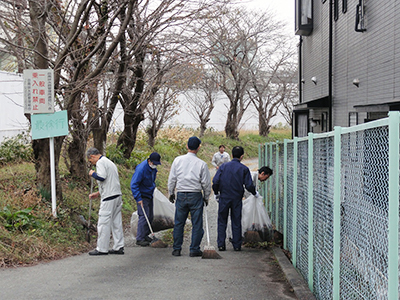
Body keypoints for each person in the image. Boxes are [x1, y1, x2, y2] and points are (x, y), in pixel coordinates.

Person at [212, 146, 271, 252]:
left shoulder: (223, 167)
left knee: (222, 220)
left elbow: (216, 181)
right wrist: (255, 193)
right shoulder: (244, 169)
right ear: (242, 156)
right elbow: (248, 185)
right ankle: (237, 245)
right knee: (236, 220)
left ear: (231, 154)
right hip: (237, 198)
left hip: (224, 197)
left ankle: (221, 244)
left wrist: (216, 193)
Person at [168, 136, 211, 257]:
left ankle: (177, 249)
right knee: (196, 224)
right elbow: (206, 183)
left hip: (181, 194)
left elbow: (172, 179)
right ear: (198, 148)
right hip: (195, 195)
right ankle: (194, 249)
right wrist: (206, 197)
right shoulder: (202, 164)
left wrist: (171, 193)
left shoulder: (177, 160)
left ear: (187, 146)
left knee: (179, 223)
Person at [87, 147, 125, 255]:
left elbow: (102, 177)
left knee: (103, 222)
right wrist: (98, 193)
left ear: (93, 156)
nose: (92, 163)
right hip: (117, 195)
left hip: (109, 198)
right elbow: (110, 180)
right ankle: (119, 246)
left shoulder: (100, 163)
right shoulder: (109, 162)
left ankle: (102, 248)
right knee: (116, 222)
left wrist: (92, 173)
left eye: (91, 160)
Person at [130, 152, 161, 246]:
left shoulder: (153, 169)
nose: (155, 165)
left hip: (149, 194)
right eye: (154, 163)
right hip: (142, 195)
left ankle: (145, 235)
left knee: (150, 216)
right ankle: (139, 238)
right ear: (149, 161)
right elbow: (134, 184)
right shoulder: (141, 169)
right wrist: (138, 198)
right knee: (144, 216)